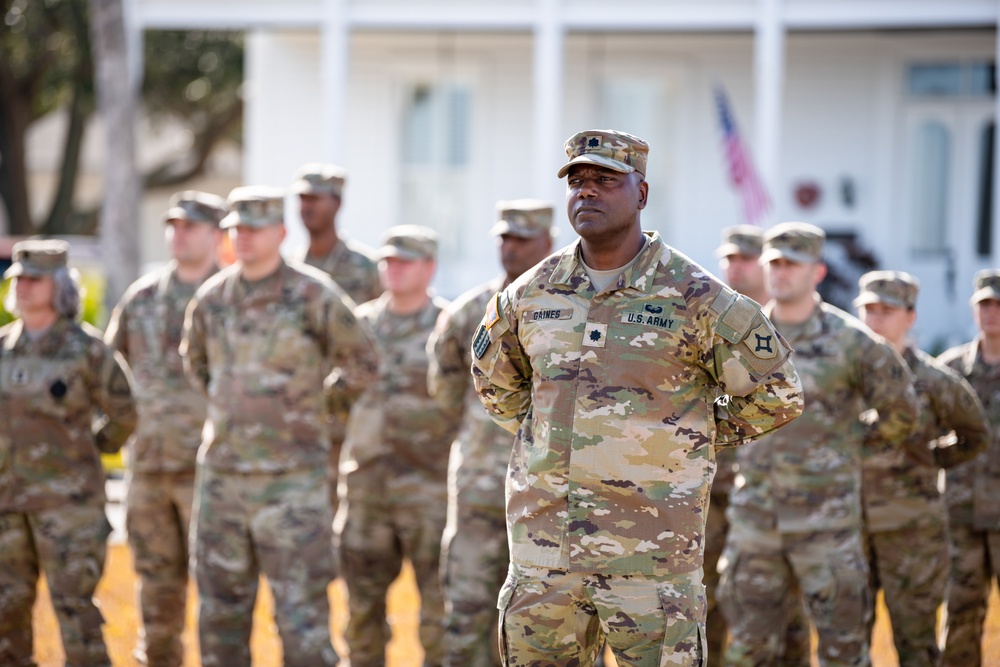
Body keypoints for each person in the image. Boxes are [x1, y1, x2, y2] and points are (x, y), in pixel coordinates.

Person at [471, 129, 803, 666]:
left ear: (641, 194)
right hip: (545, 560)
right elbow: (497, 383)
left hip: (652, 565)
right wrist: (556, 433)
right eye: (577, 181)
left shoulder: (697, 296)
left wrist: (688, 435)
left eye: (605, 180)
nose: (587, 192)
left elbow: (778, 393)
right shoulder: (531, 294)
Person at [180, 185, 379, 667]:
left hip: (293, 482)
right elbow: (197, 363)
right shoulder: (212, 299)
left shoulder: (312, 294)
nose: (242, 238)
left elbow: (364, 362)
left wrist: (317, 406)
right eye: (235, 229)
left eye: (253, 228)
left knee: (302, 621)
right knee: (220, 620)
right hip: (224, 481)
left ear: (280, 233)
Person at [718, 223, 919, 667]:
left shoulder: (851, 341)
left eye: (792, 263)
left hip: (826, 525)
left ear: (819, 271)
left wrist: (848, 451)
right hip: (756, 524)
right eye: (774, 262)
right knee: (748, 649)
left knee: (842, 650)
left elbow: (903, 412)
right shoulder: (737, 334)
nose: (780, 272)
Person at [428, 199, 555, 667]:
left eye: (522, 239)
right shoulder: (470, 314)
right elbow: (443, 388)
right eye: (504, 237)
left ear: (548, 242)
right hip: (481, 487)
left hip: (551, 494)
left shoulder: (574, 313)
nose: (511, 248)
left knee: (553, 625)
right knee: (466, 612)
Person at [0, 239, 137, 666]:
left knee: (75, 613)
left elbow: (124, 412)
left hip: (68, 508)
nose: (23, 287)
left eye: (34, 279)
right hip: (8, 505)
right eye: (18, 279)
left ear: (59, 287)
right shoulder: (3, 346)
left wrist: (92, 450)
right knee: (7, 613)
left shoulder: (87, 350)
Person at [104, 191, 226, 667]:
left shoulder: (230, 298)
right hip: (150, 469)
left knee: (219, 594)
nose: (179, 233)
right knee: (156, 592)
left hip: (210, 472)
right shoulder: (142, 298)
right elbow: (110, 375)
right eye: (173, 225)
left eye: (191, 226)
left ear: (217, 235)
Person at [336, 225, 460, 667]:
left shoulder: (450, 326)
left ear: (429, 268)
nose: (394, 269)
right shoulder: (358, 325)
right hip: (367, 489)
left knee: (438, 611)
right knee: (361, 612)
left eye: (405, 261)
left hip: (429, 491)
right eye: (388, 261)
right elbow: (332, 399)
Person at [853, 270, 989, 667]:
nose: (876, 319)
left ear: (910, 317)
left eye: (887, 310)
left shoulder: (934, 381)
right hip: (849, 531)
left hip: (912, 535)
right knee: (846, 645)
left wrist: (934, 459)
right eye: (869, 310)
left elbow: (975, 435)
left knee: (917, 646)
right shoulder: (846, 377)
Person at [938, 269, 1000, 666]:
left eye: (998, 304)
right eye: (984, 305)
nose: (991, 312)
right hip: (960, 515)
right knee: (960, 615)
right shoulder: (951, 371)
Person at [292, 162, 381, 305]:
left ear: (337, 203)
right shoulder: (292, 266)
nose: (307, 206)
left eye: (314, 198)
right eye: (303, 198)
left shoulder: (368, 268)